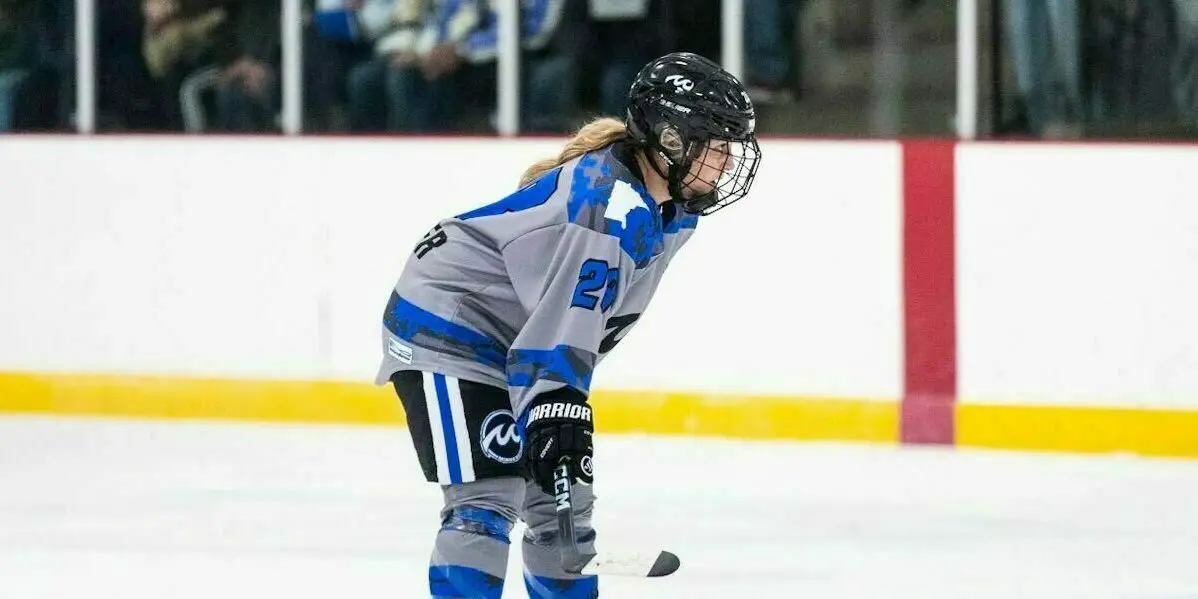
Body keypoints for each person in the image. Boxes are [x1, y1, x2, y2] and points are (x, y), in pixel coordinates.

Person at [374, 51, 761, 599]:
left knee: (563, 512)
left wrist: (558, 417)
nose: (727, 162)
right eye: (716, 145)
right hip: (448, 324)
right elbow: (558, 335)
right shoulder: (609, 209)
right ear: (671, 140)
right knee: (487, 500)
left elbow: (571, 324)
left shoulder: (673, 207)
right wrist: (558, 409)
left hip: (520, 335)